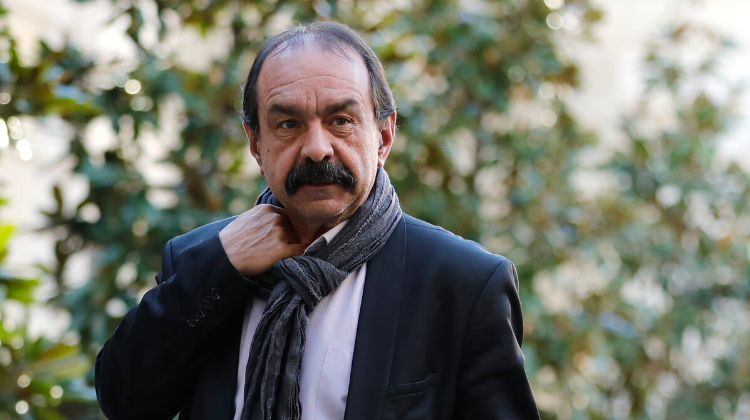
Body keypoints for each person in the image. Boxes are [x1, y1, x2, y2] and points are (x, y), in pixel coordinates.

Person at [95, 21, 540, 420]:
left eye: (341, 120)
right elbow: (125, 401)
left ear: (384, 137)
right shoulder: (203, 259)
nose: (316, 149)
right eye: (288, 124)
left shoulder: (464, 284)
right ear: (255, 144)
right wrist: (221, 268)